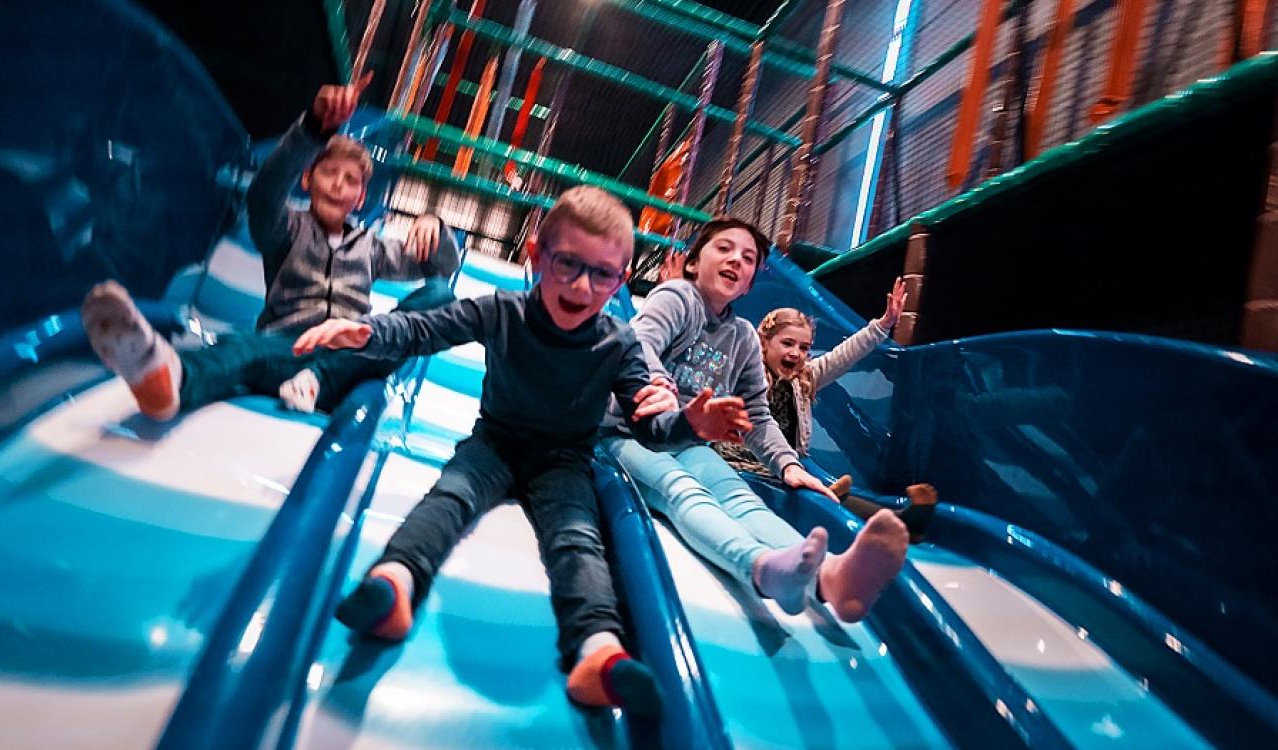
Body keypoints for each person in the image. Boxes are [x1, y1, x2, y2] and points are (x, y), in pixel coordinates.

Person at [297, 187, 749, 717]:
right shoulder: (502, 311)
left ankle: (598, 649)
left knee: (577, 539)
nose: (581, 286)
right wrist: (367, 331)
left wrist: (691, 424)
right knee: (448, 498)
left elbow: (649, 426)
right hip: (495, 442)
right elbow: (425, 328)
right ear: (536, 256)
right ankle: (395, 580)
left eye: (602, 274)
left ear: (620, 281)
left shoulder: (620, 343)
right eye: (567, 264)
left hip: (564, 461)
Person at [80, 73, 459, 419]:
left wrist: (435, 226)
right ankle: (167, 380)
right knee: (242, 348)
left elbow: (441, 268)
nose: (338, 184)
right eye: (329, 173)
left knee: (440, 297)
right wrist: (311, 129)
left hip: (349, 356)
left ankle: (319, 378)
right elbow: (265, 193)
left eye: (350, 180)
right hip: (289, 350)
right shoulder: (287, 229)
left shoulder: (371, 248)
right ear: (307, 180)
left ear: (361, 198)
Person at [601, 218, 909, 622]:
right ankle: (760, 567)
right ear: (693, 263)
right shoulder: (677, 298)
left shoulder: (743, 337)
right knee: (684, 490)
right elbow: (640, 342)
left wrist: (788, 465)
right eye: (724, 248)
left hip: (688, 440)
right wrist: (658, 384)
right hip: (629, 432)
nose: (736, 260)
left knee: (740, 498)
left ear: (749, 284)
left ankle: (829, 576)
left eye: (748, 259)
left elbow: (758, 417)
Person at [714, 283, 938, 543]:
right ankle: (900, 523)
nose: (796, 353)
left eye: (804, 347)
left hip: (785, 467)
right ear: (763, 342)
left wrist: (883, 324)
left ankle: (900, 522)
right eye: (787, 343)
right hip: (744, 468)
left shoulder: (803, 378)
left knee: (820, 493)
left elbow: (844, 355)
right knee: (814, 497)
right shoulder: (745, 375)